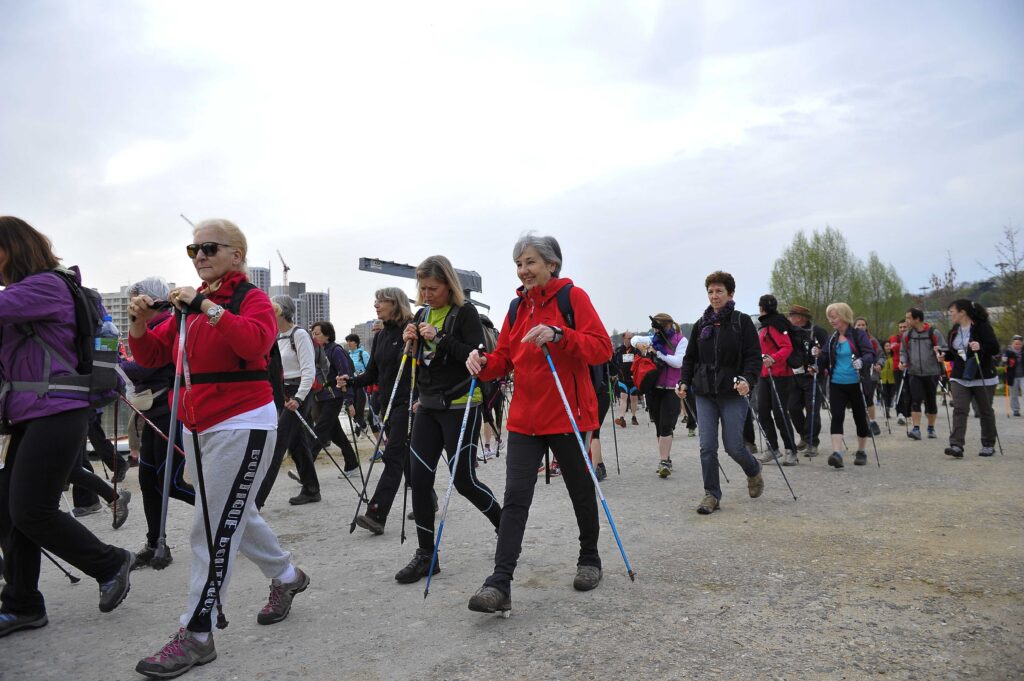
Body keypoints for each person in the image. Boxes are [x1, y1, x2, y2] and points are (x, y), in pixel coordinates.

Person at [129, 218, 307, 678]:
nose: (200, 255)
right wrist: (140, 320)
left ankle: (198, 633)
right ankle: (288, 577)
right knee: (233, 514)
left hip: (242, 423)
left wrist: (206, 305)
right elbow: (149, 355)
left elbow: (255, 343)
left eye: (209, 247)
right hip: (197, 424)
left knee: (211, 526)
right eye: (193, 250)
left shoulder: (251, 300)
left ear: (237, 256)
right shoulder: (187, 309)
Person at [0, 216, 133, 639]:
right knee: (9, 510)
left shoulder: (45, 287)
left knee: (31, 510)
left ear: (11, 249)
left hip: (57, 411)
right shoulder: (28, 293)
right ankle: (22, 604)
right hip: (32, 414)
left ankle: (109, 562)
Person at [465, 234, 611, 615]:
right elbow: (503, 359)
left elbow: (601, 348)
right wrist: (482, 363)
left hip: (568, 415)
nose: (523, 270)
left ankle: (590, 559)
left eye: (530, 262)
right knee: (515, 499)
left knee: (581, 489)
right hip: (526, 420)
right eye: (518, 263)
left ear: (552, 264)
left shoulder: (572, 299)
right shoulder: (516, 307)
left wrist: (559, 335)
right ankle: (499, 583)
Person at [396, 255, 502, 585]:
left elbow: (474, 356)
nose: (427, 294)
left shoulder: (465, 312)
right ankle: (427, 555)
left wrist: (439, 336)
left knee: (464, 480)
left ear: (449, 285)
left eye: (434, 288)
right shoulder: (422, 312)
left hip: (461, 404)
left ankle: (506, 527)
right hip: (428, 405)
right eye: (423, 288)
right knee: (419, 477)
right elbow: (422, 361)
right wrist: (410, 342)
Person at [120, 276, 196, 569]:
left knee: (170, 482)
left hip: (172, 412)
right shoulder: (145, 327)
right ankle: (154, 543)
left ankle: (227, 516)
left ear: (152, 299)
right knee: (148, 482)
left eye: (137, 297)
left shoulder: (171, 323)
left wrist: (120, 367)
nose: (133, 304)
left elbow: (145, 366)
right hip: (152, 414)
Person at [677, 271, 764, 515]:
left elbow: (753, 357)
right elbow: (690, 358)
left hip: (732, 391)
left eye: (719, 291)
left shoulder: (741, 322)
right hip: (704, 391)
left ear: (730, 294)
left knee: (734, 446)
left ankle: (753, 469)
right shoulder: (700, 324)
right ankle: (711, 494)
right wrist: (684, 382)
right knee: (706, 446)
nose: (714, 296)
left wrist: (748, 379)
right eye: (711, 292)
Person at [340, 288, 414, 536]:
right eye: (376, 301)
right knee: (404, 455)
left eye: (382, 301)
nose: (376, 305)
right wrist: (350, 381)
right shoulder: (380, 336)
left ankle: (376, 514)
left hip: (408, 403)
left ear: (396, 304)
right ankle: (430, 497)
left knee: (393, 457)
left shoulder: (411, 330)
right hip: (387, 405)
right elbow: (372, 374)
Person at [256, 296, 320, 507]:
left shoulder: (299, 334)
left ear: (282, 311)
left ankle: (257, 502)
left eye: (271, 308)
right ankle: (311, 489)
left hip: (299, 392)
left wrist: (299, 398)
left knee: (278, 443)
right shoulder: (276, 336)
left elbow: (309, 370)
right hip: (283, 392)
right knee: (297, 443)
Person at [818, 303, 876, 468]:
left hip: (856, 383)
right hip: (837, 383)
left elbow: (869, 354)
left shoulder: (858, 335)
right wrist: (816, 363)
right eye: (829, 317)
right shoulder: (832, 338)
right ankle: (837, 453)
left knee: (860, 418)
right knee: (837, 416)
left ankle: (861, 451)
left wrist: (861, 361)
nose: (831, 320)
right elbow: (824, 358)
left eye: (834, 317)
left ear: (844, 316)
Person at [942, 300, 1000, 457]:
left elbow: (995, 347)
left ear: (962, 312)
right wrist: (943, 355)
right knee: (960, 409)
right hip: (960, 376)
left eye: (952, 311)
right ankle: (956, 445)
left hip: (983, 375)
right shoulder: (954, 330)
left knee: (985, 410)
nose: (950, 315)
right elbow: (953, 353)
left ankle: (988, 444)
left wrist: (981, 347)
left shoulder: (982, 327)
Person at [309, 321, 359, 475]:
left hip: (334, 396)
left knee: (320, 430)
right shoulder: (316, 350)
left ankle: (306, 467)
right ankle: (352, 464)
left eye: (317, 333)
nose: (313, 336)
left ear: (327, 335)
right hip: (320, 397)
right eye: (312, 333)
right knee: (335, 433)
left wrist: (349, 401)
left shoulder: (336, 351)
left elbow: (346, 375)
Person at [639, 314, 686, 478]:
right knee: (659, 426)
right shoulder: (654, 339)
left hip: (671, 388)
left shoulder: (681, 340)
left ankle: (663, 461)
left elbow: (678, 362)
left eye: (658, 327)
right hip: (655, 388)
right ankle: (666, 458)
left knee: (666, 425)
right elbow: (635, 341)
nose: (655, 331)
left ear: (667, 325)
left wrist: (659, 354)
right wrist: (641, 345)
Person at [755, 295, 799, 466]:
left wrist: (773, 358)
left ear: (761, 308)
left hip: (780, 374)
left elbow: (787, 347)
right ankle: (773, 448)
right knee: (763, 412)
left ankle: (791, 450)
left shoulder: (775, 324)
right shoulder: (765, 325)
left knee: (780, 413)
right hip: (765, 374)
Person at [786, 305, 829, 457]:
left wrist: (818, 365)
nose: (789, 319)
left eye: (791, 316)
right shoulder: (790, 333)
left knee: (812, 411)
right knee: (792, 408)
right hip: (795, 376)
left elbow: (827, 352)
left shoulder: (818, 332)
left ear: (800, 318)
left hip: (813, 377)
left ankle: (812, 442)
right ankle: (804, 436)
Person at [900, 309, 947, 440]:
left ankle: (931, 428)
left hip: (931, 372)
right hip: (914, 372)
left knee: (931, 401)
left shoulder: (934, 333)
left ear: (917, 319)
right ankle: (916, 429)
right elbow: (903, 352)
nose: (906, 321)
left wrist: (941, 353)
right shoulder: (907, 335)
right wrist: (903, 361)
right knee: (915, 400)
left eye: (908, 318)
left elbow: (945, 348)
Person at [854, 317, 885, 436]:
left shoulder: (872, 340)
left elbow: (881, 356)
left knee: (868, 398)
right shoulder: (851, 340)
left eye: (863, 325)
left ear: (866, 326)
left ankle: (872, 422)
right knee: (859, 400)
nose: (861, 327)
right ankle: (864, 423)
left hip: (871, 374)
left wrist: (879, 364)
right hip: (855, 374)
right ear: (854, 327)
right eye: (858, 325)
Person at [345, 333, 375, 435]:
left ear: (356, 342)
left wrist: (362, 374)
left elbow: (370, 369)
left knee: (359, 408)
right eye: (347, 341)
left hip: (361, 385)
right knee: (351, 409)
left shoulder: (363, 354)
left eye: (351, 341)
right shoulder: (347, 355)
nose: (349, 343)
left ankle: (357, 433)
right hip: (351, 385)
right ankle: (363, 426)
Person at [612, 332, 640, 427]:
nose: (630, 340)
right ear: (624, 339)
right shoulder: (619, 350)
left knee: (634, 398)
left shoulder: (636, 350)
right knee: (623, 397)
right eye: (629, 338)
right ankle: (622, 418)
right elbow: (615, 363)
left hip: (633, 378)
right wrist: (616, 373)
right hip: (623, 378)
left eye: (632, 338)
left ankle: (634, 416)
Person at [1004, 335, 1023, 417]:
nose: (1017, 345)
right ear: (1012, 344)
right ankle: (1015, 410)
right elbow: (1003, 363)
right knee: (1014, 394)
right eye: (1016, 344)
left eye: (1019, 344)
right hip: (1012, 376)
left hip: (1023, 376)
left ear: (1022, 344)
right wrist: (1004, 361)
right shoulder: (1008, 352)